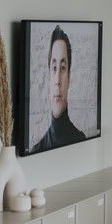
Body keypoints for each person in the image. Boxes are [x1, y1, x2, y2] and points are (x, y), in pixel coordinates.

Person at [29, 25, 86, 154]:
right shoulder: (37, 149)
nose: (58, 81)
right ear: (48, 77)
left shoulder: (80, 138)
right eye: (54, 68)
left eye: (63, 68)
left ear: (69, 77)